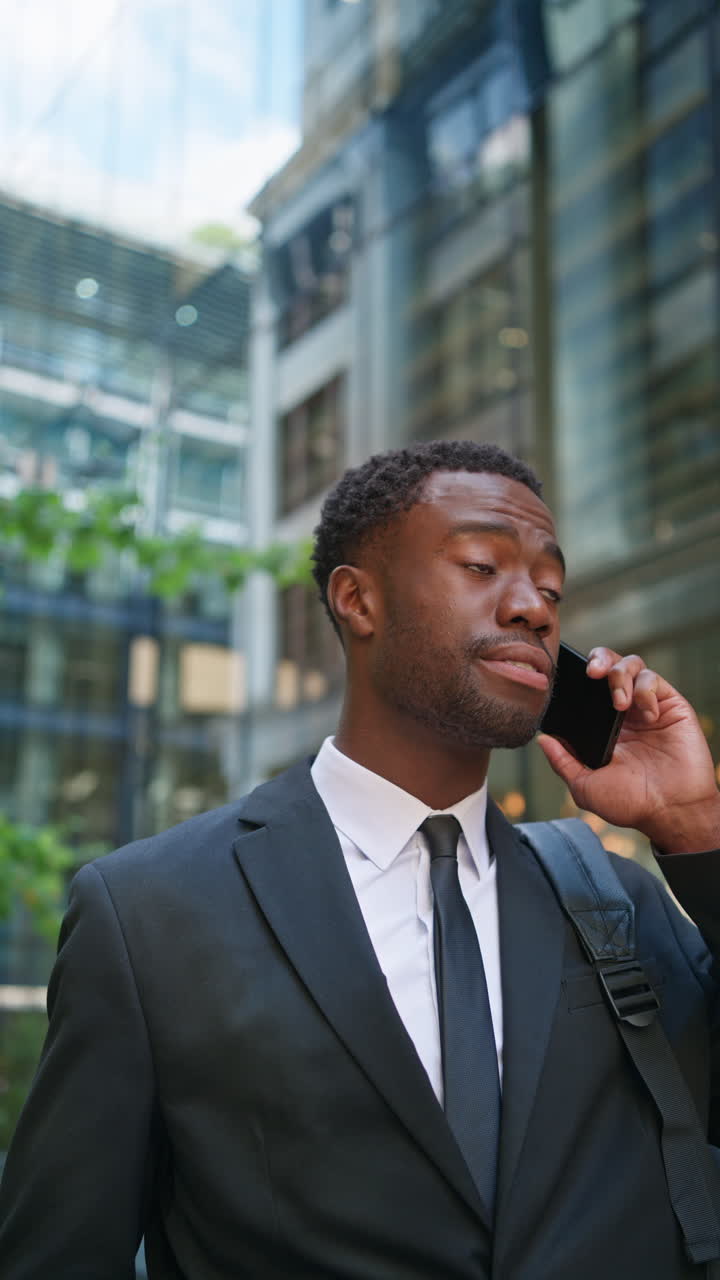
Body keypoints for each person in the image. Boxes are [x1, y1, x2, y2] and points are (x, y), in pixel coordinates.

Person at [1, 440, 719, 1280]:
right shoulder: (149, 912)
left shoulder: (614, 897)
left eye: (552, 587)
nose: (534, 607)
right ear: (357, 600)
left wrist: (696, 827)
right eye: (483, 565)